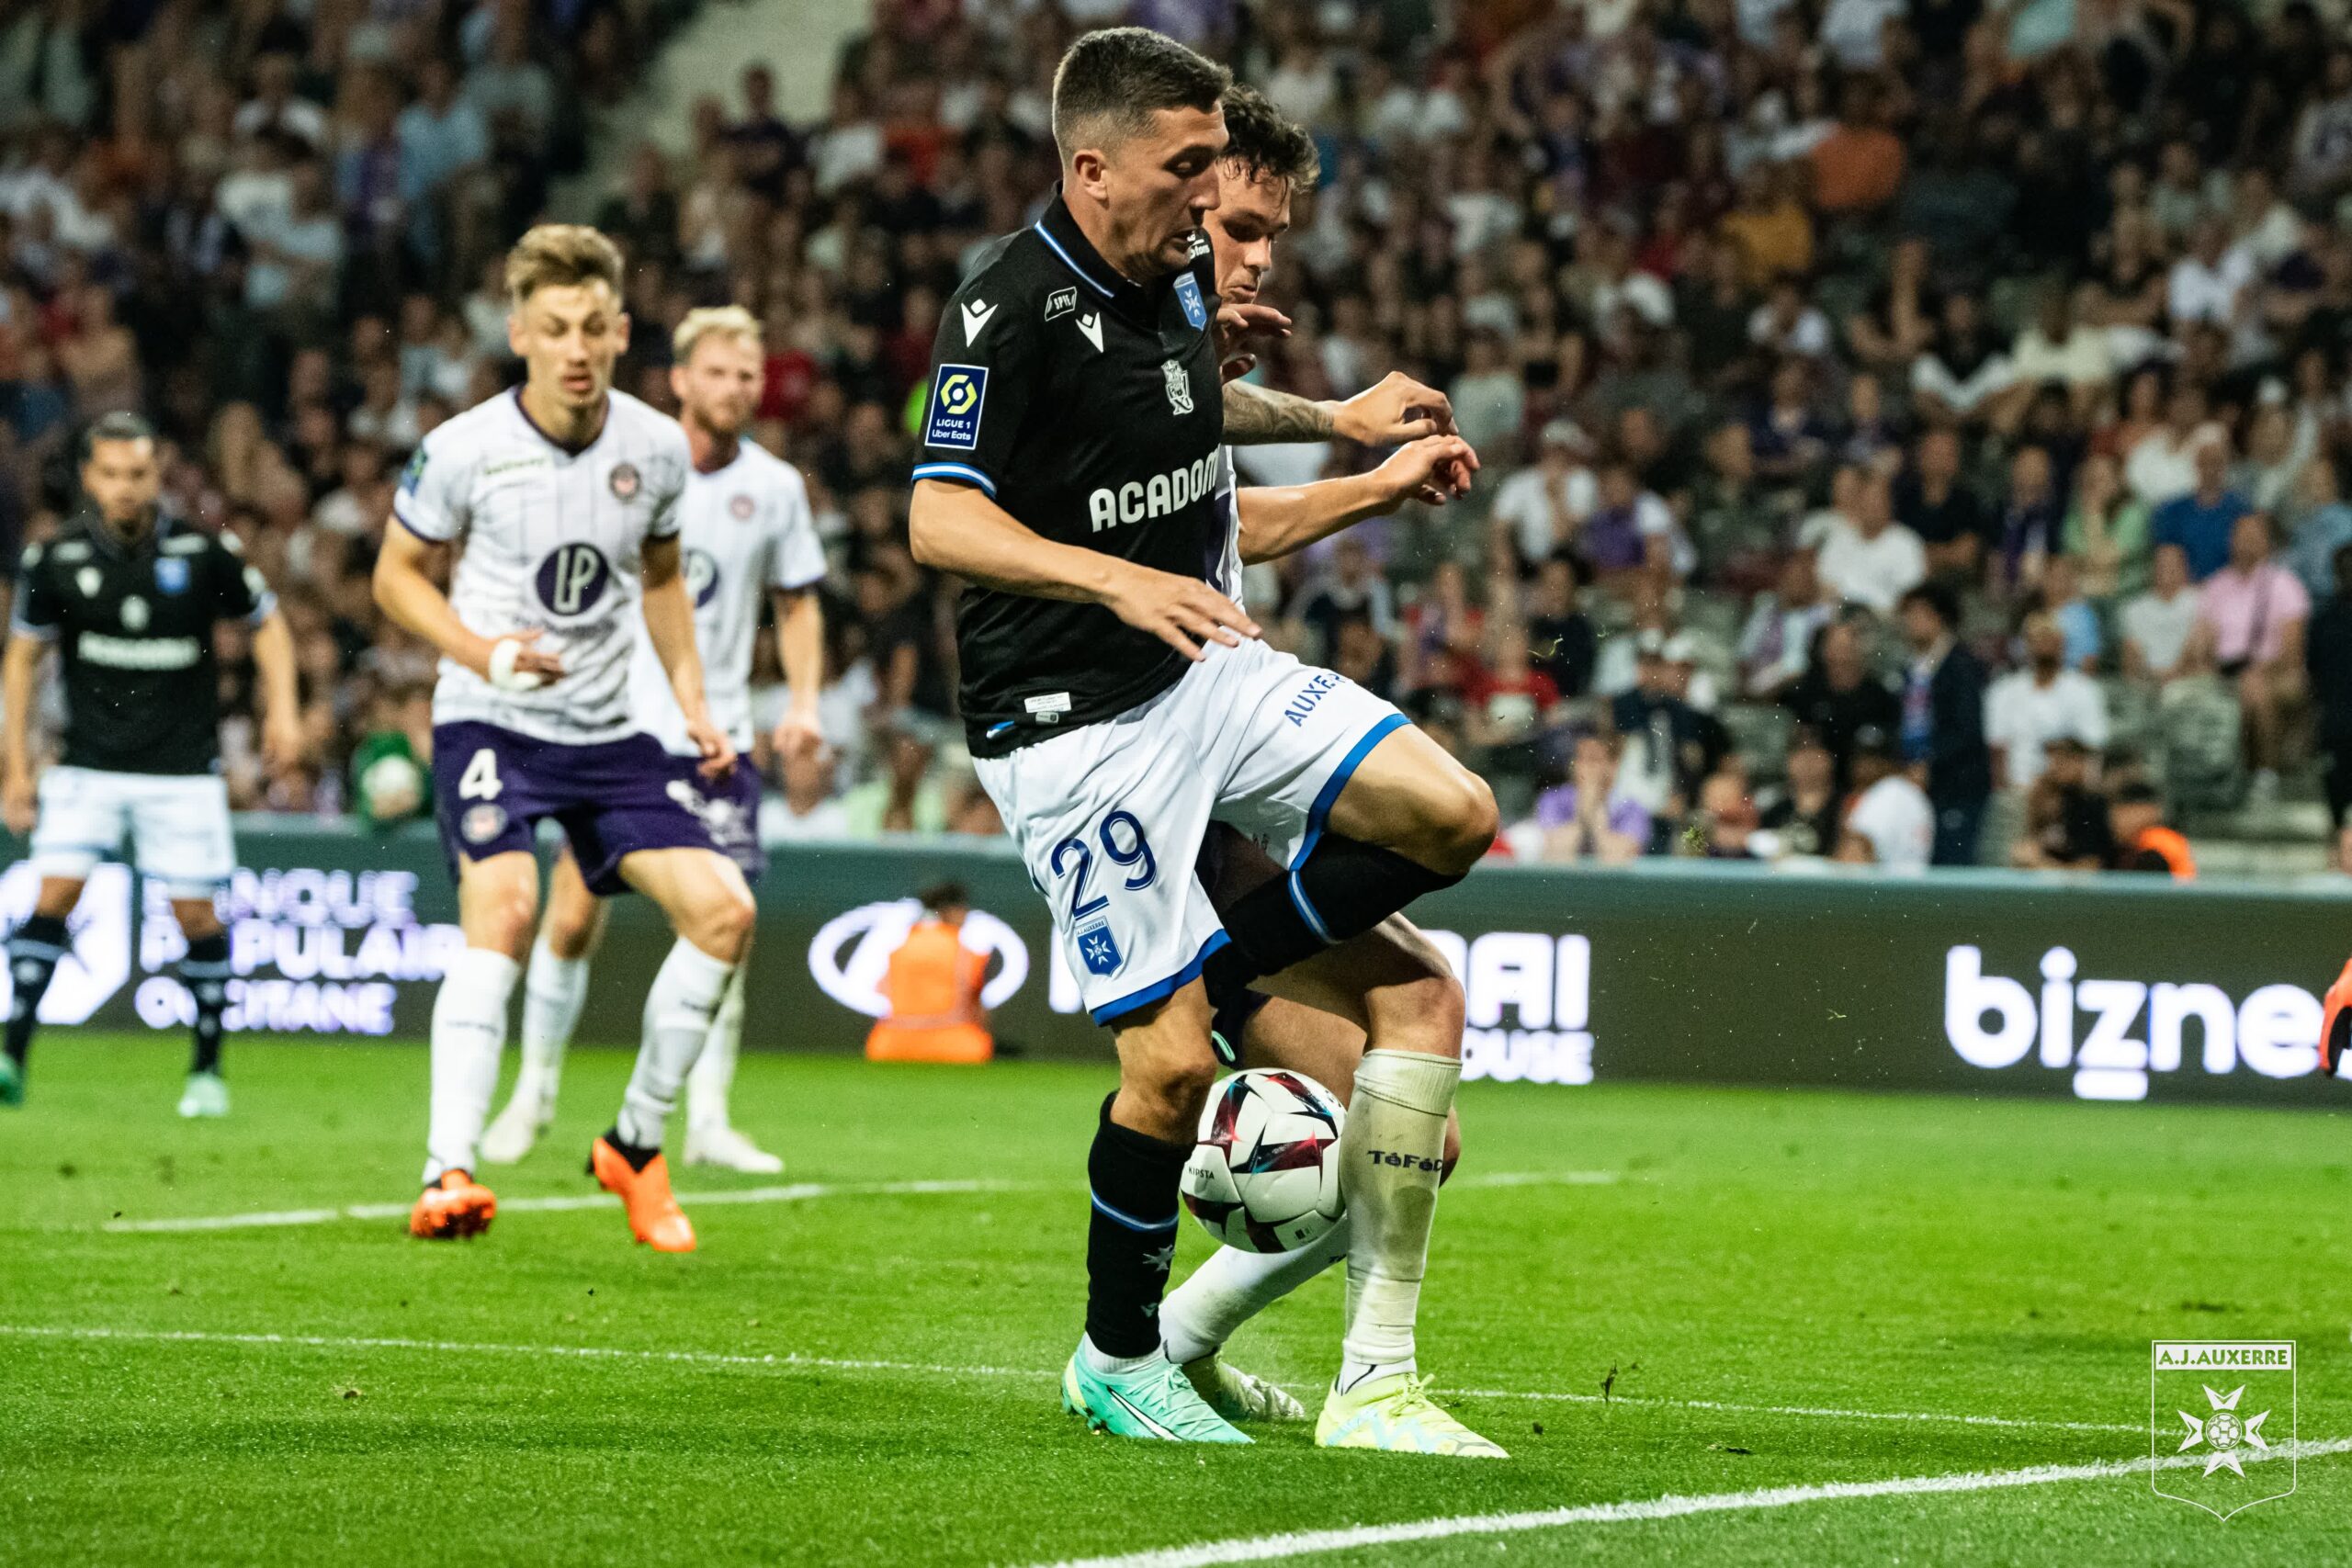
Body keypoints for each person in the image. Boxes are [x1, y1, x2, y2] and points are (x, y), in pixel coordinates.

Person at [903, 30, 1496, 1453]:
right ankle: (1124, 1356)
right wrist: (1113, 577)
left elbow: (1201, 416)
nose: (1212, 204)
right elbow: (937, 516)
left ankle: (1360, 1374)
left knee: (1452, 816)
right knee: (1169, 1071)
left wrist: (1339, 429)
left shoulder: (1172, 281)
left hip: (1204, 670)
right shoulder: (1003, 308)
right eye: (1191, 173)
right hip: (1073, 727)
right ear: (1093, 167)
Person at [372, 224, 756, 1252]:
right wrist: (482, 650)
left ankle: (634, 1143)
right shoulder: (464, 448)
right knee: (506, 909)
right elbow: (394, 577)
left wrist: (694, 703)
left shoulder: (656, 447)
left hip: (609, 732)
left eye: (593, 327)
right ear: (519, 335)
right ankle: (447, 1169)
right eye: (555, 329)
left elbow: (662, 580)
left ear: (622, 332)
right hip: (490, 720)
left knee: (725, 913)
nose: (576, 349)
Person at [475, 305, 829, 1175]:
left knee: (725, 927)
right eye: (718, 372)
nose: (735, 388)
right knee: (568, 917)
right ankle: (534, 1093)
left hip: (718, 738)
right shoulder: (631, 466)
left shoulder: (775, 487)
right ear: (679, 380)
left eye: (747, 375)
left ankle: (707, 1120)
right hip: (617, 728)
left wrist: (805, 702)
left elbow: (797, 602)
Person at [2, 413, 303, 1112]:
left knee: (196, 914)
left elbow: (268, 624)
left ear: (157, 472)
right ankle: (11, 1055)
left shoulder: (202, 550)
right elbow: (21, 661)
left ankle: (207, 1073)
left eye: (137, 474)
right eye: (111, 474)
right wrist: (16, 767)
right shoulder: (56, 557)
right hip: (88, 764)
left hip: (182, 770)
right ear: (89, 477)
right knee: (53, 895)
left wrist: (284, 712)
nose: (125, 487)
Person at [2188, 512, 2310, 805]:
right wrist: (2203, 664)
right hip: (2225, 672)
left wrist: (2256, 670)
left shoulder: (2284, 584)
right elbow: (2202, 640)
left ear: (2267, 542)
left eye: (2253, 536)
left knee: (2254, 687)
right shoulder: (2217, 585)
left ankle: (2265, 774)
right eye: (2240, 536)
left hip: (2276, 674)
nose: (2246, 543)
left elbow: (2292, 652)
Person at [1896, 582, 1994, 865]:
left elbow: (1967, 730)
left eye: (1919, 613)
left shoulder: (1962, 666)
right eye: (1908, 614)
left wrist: (1929, 762)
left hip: (1956, 785)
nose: (1911, 621)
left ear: (1940, 618)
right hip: (1918, 780)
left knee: (1951, 861)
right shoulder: (1911, 669)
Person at [865, 883, 993, 1065]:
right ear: (951, 911)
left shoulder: (901, 947)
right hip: (957, 1049)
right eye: (964, 910)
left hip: (890, 1047)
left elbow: (883, 993)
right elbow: (978, 1010)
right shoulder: (967, 953)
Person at [1987, 610, 2110, 792]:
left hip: (2069, 789)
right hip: (2018, 788)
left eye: (2050, 639)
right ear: (2026, 645)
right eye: (2037, 639)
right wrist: (2007, 792)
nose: (2044, 646)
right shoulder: (2003, 691)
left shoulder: (2084, 689)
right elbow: (1997, 752)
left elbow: (2093, 747)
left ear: (2062, 644)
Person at [2148, 435, 2251, 581]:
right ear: (2196, 465)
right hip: (2185, 587)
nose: (2211, 469)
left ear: (2225, 466)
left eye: (2217, 463)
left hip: (2231, 587)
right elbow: (2166, 557)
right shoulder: (2172, 511)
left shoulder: (2241, 509)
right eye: (2205, 463)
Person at [1835, 726, 1934, 873]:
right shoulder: (1916, 796)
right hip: (1913, 884)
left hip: (1878, 885)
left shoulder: (1883, 796)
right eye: (1861, 758)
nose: (1865, 766)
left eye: (1874, 759)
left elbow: (1854, 858)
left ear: (1890, 761)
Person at [2009, 736, 2113, 869]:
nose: (2054, 767)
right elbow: (2027, 846)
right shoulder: (2045, 797)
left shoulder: (2092, 804)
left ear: (2080, 761)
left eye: (2062, 760)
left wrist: (2041, 865)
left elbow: (2089, 866)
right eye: (2052, 760)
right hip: (2046, 874)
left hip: (2075, 878)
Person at [2308, 543, 2352, 832]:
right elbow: (2313, 673)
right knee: (2337, 791)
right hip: (2337, 721)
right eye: (2345, 569)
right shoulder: (2324, 621)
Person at [2105, 781, 2194, 878]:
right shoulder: (2130, 845)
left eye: (2124, 813)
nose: (2115, 821)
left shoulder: (2157, 846)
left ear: (2149, 811)